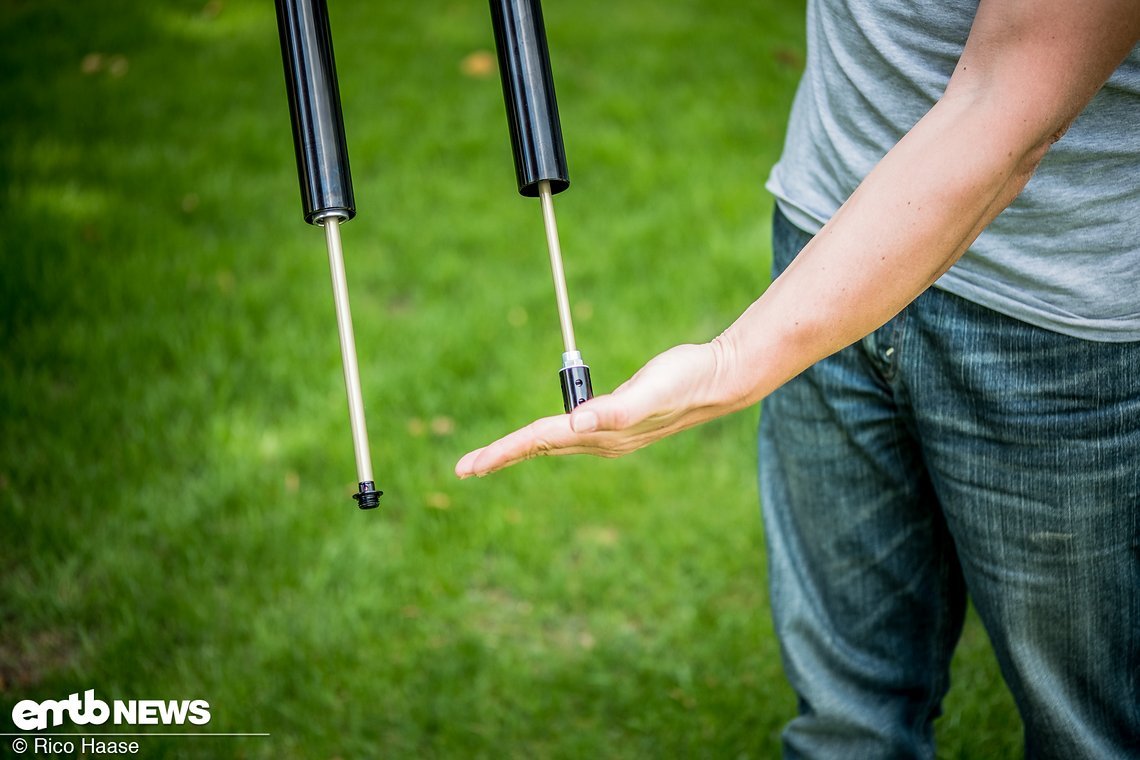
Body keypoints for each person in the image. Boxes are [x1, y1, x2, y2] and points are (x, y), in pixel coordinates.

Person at [456, 0, 1140, 756]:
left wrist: (730, 363)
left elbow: (1008, 104)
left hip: (1059, 322)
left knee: (1088, 734)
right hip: (822, 230)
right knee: (843, 721)